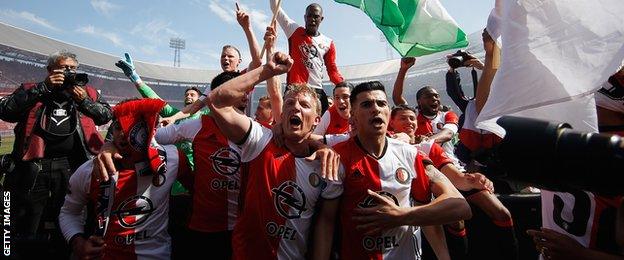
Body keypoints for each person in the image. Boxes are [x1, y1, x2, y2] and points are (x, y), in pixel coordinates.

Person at [206, 49, 342, 259]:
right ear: (282, 114)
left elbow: (325, 224)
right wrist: (267, 70)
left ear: (317, 120)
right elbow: (216, 101)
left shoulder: (329, 165)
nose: (295, 107)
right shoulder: (261, 140)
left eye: (304, 105)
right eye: (289, 103)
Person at [328, 81, 471, 259]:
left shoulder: (411, 154)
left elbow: (461, 207)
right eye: (366, 104)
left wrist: (402, 215)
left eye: (381, 104)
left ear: (388, 112)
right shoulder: (336, 157)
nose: (376, 109)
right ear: (353, 117)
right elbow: (325, 222)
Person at [0, 50, 112, 259]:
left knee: (71, 218)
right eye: (64, 68)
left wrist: (84, 101)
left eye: (73, 68)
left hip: (73, 167)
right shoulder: (31, 89)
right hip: (35, 167)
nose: (69, 72)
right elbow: (6, 111)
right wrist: (44, 88)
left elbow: (105, 116)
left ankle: (66, 252)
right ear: (50, 70)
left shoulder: (87, 92)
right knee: (29, 221)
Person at [59, 98, 192, 260]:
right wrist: (77, 243)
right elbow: (69, 212)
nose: (122, 134)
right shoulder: (91, 170)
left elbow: (198, 192)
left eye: (130, 127)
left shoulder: (173, 158)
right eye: (117, 126)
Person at [389, 104, 518, 259]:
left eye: (412, 118)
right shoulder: (385, 145)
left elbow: (455, 177)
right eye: (403, 118)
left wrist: (474, 180)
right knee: (456, 220)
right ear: (391, 122)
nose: (409, 122)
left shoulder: (427, 146)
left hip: (445, 184)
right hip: (415, 198)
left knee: (502, 213)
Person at [269, 0, 345, 114]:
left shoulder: (328, 42)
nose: (312, 19)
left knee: (320, 128)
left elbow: (332, 70)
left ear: (321, 19)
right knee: (291, 127)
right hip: (294, 89)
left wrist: (343, 85)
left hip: (317, 90)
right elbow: (276, 8)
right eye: (309, 16)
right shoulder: (293, 30)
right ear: (305, 17)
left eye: (316, 16)